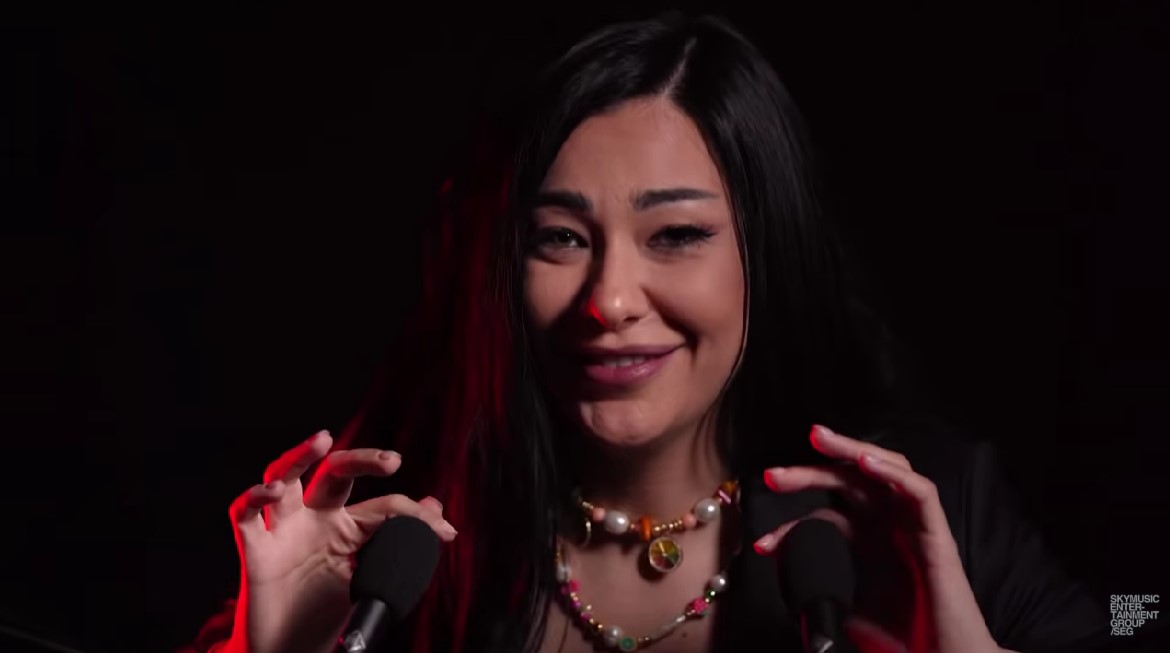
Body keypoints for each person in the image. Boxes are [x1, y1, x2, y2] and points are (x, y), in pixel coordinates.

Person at [185, 12, 1115, 653]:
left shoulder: (923, 508)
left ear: (765, 251)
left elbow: (1139, 614)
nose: (610, 300)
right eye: (560, 238)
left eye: (675, 235)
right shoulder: (382, 542)